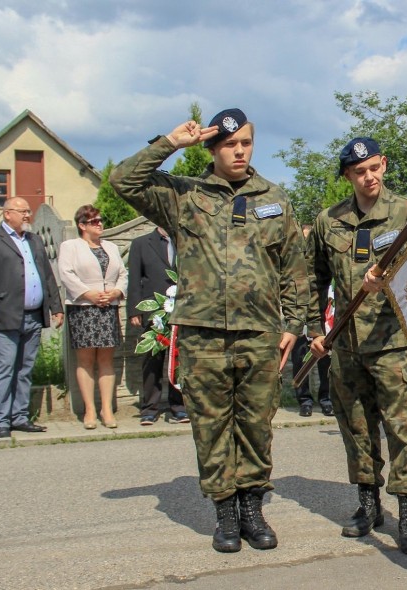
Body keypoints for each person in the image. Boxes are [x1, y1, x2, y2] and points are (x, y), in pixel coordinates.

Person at [109, 108, 308, 552]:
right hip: (202, 335)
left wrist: (293, 323)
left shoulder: (274, 199)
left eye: (246, 143)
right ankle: (224, 514)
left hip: (259, 333)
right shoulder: (184, 195)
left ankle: (253, 510)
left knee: (256, 426)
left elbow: (295, 268)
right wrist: (170, 143)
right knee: (211, 426)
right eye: (230, 145)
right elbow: (123, 181)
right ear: (213, 149)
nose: (240, 151)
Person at [307, 137, 407, 555]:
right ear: (347, 176)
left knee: (403, 429)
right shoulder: (329, 220)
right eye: (359, 171)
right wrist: (312, 331)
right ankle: (367, 504)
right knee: (357, 428)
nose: (369, 176)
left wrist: (392, 279)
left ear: (384, 165)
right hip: (346, 345)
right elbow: (313, 279)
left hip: (393, 343)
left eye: (374, 168)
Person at [0, 198, 63, 438]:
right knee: (3, 369)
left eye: (28, 211)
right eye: (22, 211)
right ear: (7, 214)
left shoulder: (34, 240)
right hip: (5, 315)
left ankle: (19, 417)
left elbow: (47, 274)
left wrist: (56, 306)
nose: (27, 215)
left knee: (25, 369)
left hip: (33, 315)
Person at [59, 205, 128, 431]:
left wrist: (117, 292)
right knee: (86, 360)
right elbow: (66, 273)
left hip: (108, 308)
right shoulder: (70, 246)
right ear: (82, 225)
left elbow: (122, 274)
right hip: (83, 308)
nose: (100, 224)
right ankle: (89, 409)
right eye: (94, 221)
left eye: (100, 220)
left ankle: (106, 409)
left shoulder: (111, 247)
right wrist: (88, 294)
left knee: (106, 360)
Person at [126, 226, 189, 426]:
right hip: (154, 311)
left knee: (178, 359)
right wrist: (134, 310)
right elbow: (134, 279)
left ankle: (179, 407)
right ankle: (149, 408)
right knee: (152, 360)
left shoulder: (185, 241)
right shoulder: (141, 244)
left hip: (182, 310)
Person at [291, 224, 333, 417]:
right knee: (301, 361)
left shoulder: (321, 261)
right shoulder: (294, 264)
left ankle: (326, 400)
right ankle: (305, 401)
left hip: (322, 322)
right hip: (300, 322)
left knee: (324, 361)